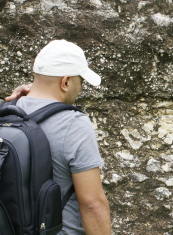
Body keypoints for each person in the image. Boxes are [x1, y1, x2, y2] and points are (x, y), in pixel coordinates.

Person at [10, 39, 111, 234]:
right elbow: (92, 203)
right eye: (80, 81)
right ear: (65, 82)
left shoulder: (7, 113)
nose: (80, 88)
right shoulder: (73, 124)